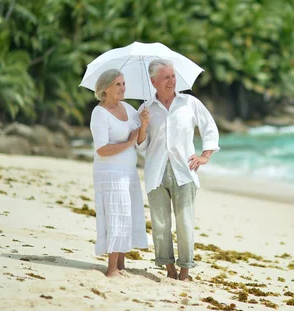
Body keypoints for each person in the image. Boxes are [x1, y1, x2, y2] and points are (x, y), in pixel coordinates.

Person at [136, 59, 219, 281]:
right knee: (161, 224)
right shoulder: (145, 108)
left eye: (173, 76)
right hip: (156, 172)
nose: (171, 81)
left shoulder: (189, 103)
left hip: (185, 172)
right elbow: (140, 145)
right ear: (153, 81)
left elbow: (209, 127)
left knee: (185, 223)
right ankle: (169, 269)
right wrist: (143, 125)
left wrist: (205, 155)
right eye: (166, 77)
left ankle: (184, 271)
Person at [89, 69, 148, 277]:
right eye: (118, 85)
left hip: (128, 172)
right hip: (110, 172)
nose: (123, 88)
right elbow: (102, 149)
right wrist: (129, 142)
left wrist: (144, 125)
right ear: (105, 89)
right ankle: (111, 268)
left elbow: (140, 142)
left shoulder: (129, 108)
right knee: (116, 216)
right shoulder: (99, 113)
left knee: (127, 216)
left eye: (124, 84)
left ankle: (121, 264)